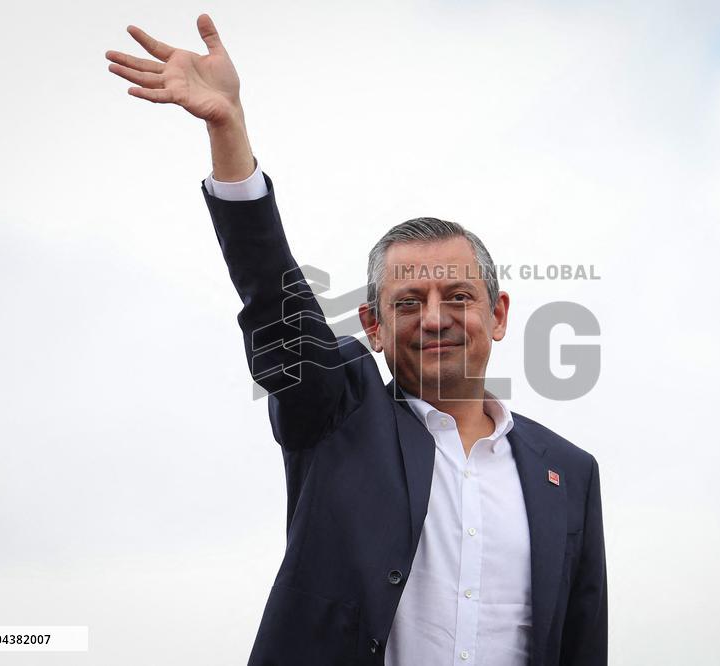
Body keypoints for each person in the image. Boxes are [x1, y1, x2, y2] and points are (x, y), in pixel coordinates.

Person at [106, 14, 607, 666]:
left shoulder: (569, 473)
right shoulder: (339, 412)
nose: (433, 319)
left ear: (500, 312)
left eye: (457, 297)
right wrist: (229, 128)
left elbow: (581, 645)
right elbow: (273, 300)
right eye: (407, 303)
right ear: (371, 326)